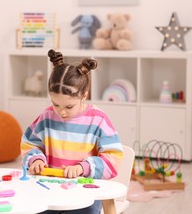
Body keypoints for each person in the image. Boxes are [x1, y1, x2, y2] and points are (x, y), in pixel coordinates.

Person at [21, 49, 124, 214]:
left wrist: (84, 168)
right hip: (49, 189)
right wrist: (35, 160)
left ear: (84, 95)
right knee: (32, 208)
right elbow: (30, 143)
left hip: (84, 191)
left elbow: (113, 158)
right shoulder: (47, 117)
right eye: (56, 104)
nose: (61, 112)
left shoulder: (98, 120)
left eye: (69, 106)